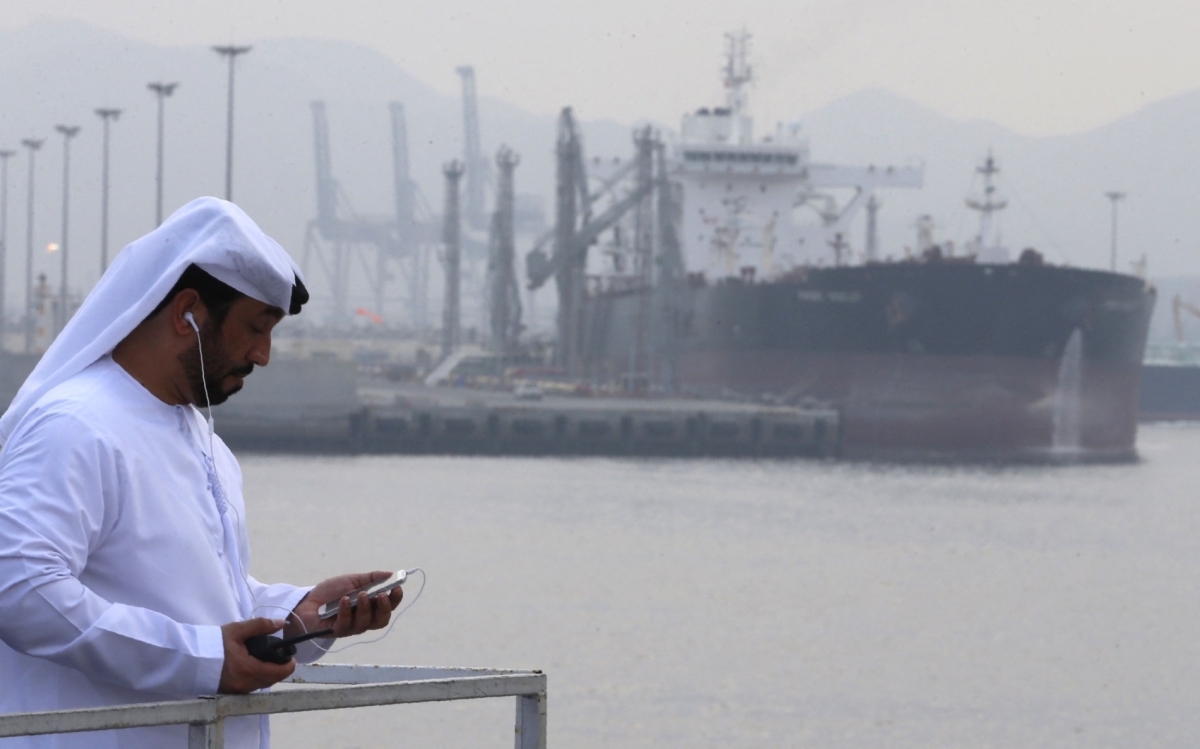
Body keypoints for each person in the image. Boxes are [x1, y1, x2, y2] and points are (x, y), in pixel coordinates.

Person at [0, 198, 401, 748]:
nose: (263, 354)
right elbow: (19, 588)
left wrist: (296, 615)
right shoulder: (76, 425)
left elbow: (201, 599)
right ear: (187, 312)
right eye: (255, 328)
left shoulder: (202, 440)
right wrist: (201, 659)